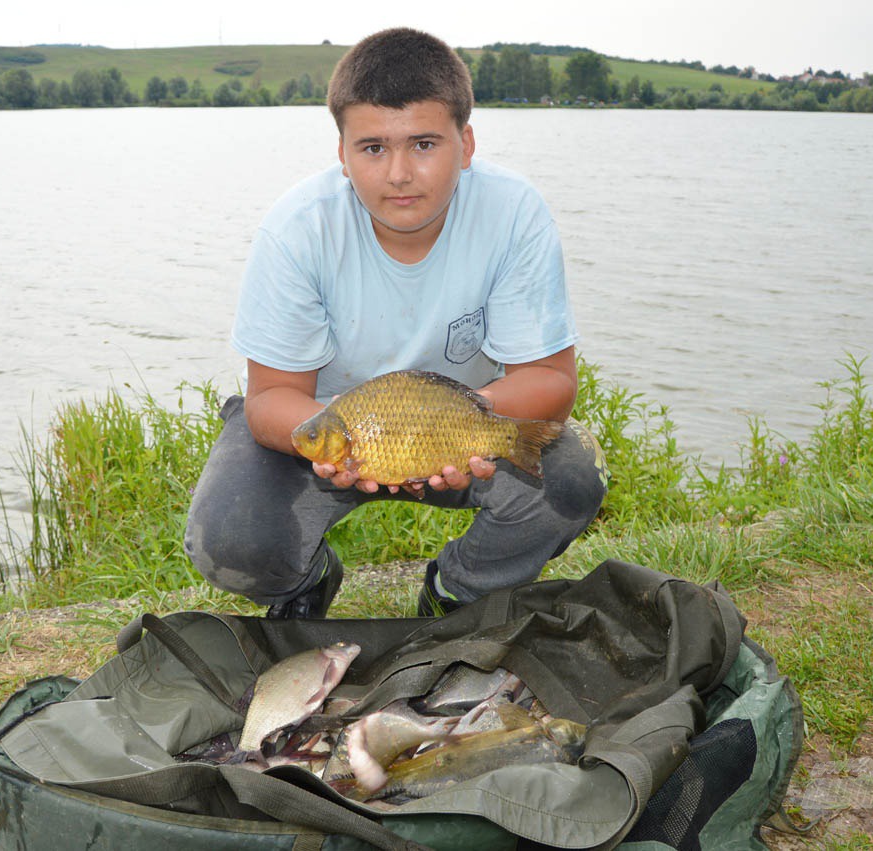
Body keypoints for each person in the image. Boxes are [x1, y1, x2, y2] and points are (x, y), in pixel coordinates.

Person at [184, 27, 606, 619]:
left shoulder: (513, 213)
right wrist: (335, 445)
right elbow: (272, 397)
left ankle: (459, 589)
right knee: (228, 537)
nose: (399, 173)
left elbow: (552, 381)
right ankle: (299, 583)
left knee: (571, 475)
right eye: (374, 148)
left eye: (425, 144)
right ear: (342, 153)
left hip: (466, 426)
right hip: (335, 428)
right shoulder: (298, 230)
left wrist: (460, 425)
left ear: (467, 142)